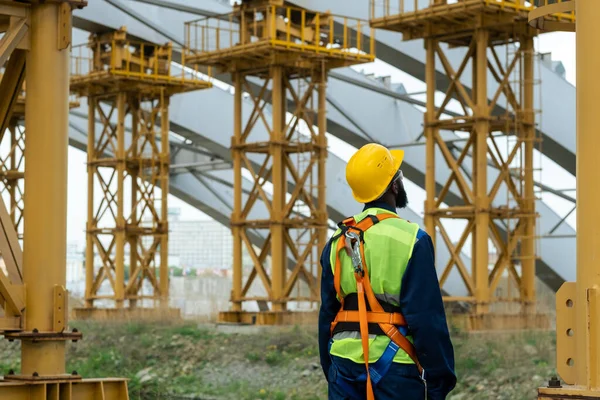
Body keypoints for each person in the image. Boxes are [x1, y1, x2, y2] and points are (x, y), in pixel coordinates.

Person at [318, 143, 456, 400]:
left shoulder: (337, 240)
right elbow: (427, 319)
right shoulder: (412, 239)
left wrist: (332, 369)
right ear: (394, 186)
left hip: (342, 368)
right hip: (395, 369)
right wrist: (439, 381)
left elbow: (328, 313)